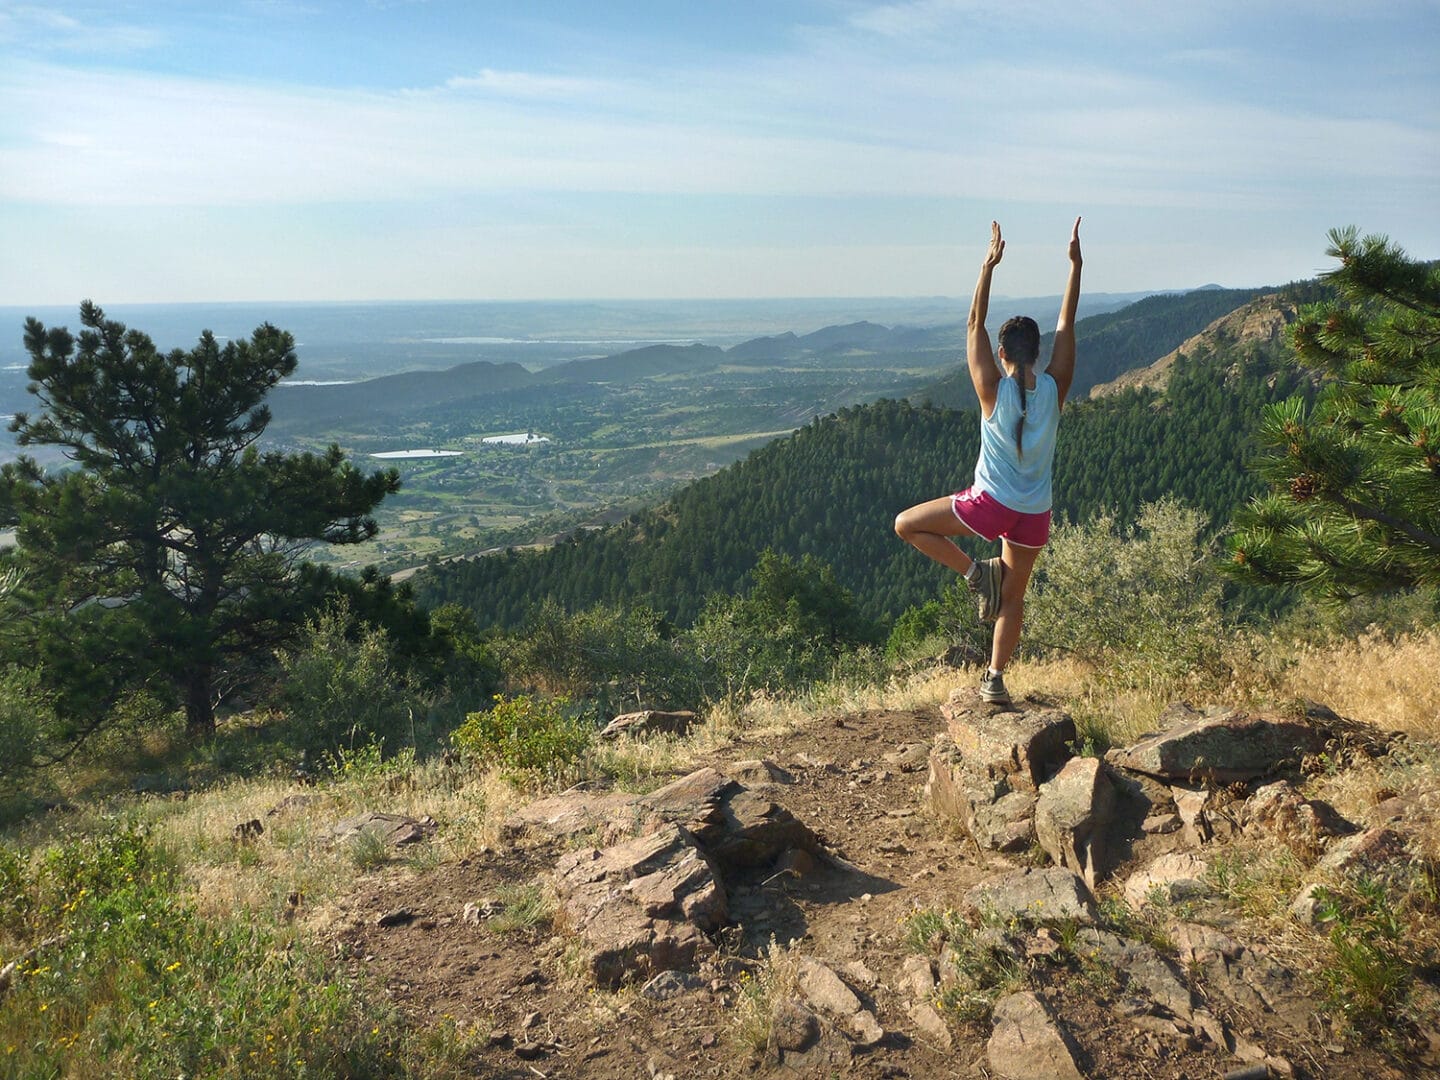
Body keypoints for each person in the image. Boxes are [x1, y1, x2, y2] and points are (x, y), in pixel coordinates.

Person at [894, 218, 1082, 705]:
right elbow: (1068, 326)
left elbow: (973, 323)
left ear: (1001, 354)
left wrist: (988, 265)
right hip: (1035, 513)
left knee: (907, 525)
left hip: (990, 506)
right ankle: (995, 681)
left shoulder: (991, 391)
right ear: (1039, 354)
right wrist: (1074, 268)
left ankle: (976, 574)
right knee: (1013, 597)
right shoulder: (1055, 390)